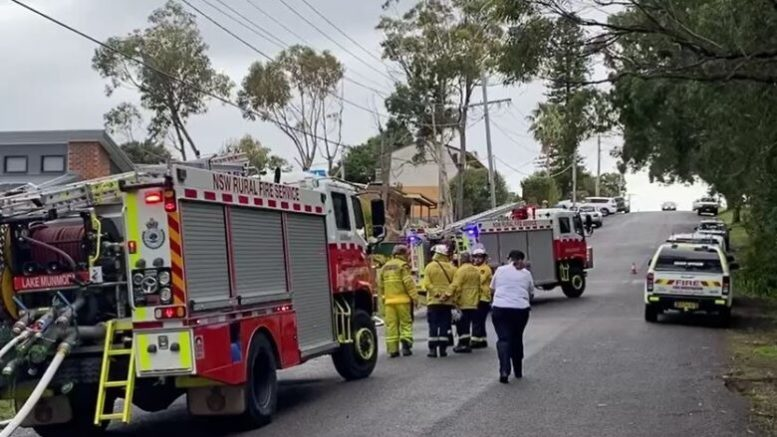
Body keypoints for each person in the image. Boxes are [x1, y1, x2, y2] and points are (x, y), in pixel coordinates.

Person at [490, 249, 533, 383]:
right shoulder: (526, 274)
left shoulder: (500, 270)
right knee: (516, 337)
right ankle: (518, 369)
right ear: (522, 259)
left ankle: (504, 370)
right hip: (520, 310)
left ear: (509, 258)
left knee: (503, 339)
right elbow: (531, 292)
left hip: (500, 309)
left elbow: (492, 289)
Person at [377, 245, 419, 357]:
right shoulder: (402, 266)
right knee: (405, 324)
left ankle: (393, 350)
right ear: (402, 254)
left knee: (391, 326)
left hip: (389, 302)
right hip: (403, 301)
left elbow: (380, 286)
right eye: (406, 253)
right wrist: (415, 298)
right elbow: (408, 284)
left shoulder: (384, 267)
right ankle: (406, 347)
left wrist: (382, 303)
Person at [421, 244, 457, 358]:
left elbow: (427, 284)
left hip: (433, 302)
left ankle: (432, 350)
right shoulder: (452, 268)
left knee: (433, 325)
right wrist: (446, 295)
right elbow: (455, 284)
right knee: (444, 325)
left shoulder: (429, 267)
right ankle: (443, 350)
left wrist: (436, 294)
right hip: (446, 303)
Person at [450, 252, 481, 353]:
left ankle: (463, 344)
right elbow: (479, 286)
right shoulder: (476, 270)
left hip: (463, 301)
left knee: (462, 324)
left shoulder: (461, 271)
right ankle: (466, 343)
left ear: (462, 259)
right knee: (468, 323)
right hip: (474, 301)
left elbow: (457, 286)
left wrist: (453, 298)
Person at [471, 247, 493, 349]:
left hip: (482, 298)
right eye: (475, 257)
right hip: (479, 297)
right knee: (480, 320)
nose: (477, 259)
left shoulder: (485, 269)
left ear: (484, 258)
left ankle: (475, 340)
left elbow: (479, 280)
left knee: (477, 320)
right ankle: (482, 339)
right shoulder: (476, 268)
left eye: (480, 257)